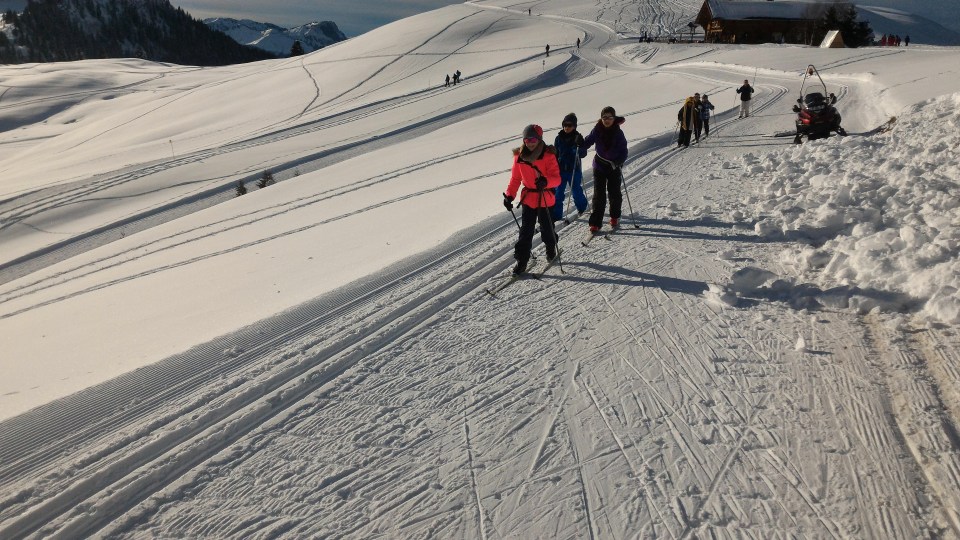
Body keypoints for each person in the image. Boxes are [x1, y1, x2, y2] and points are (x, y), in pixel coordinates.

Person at [502, 124, 562, 274]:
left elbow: (557, 178)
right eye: (527, 139)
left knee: (547, 228)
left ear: (539, 138)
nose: (530, 142)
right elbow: (515, 179)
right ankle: (522, 261)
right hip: (529, 199)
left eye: (533, 138)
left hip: (545, 198)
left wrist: (545, 182)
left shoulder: (548, 155)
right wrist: (509, 196)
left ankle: (550, 248)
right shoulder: (519, 157)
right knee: (525, 232)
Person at [581, 106, 628, 233]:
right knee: (598, 195)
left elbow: (624, 150)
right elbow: (588, 141)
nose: (607, 120)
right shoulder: (597, 129)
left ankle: (614, 216)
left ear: (614, 118)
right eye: (604, 117)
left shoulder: (618, 133)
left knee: (614, 193)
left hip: (614, 166)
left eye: (610, 117)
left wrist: (619, 161)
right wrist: (580, 145)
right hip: (599, 166)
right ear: (601, 118)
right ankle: (595, 223)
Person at [551, 113, 589, 221]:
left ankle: (582, 208)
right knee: (558, 193)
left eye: (570, 125)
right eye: (565, 125)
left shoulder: (578, 138)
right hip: (561, 170)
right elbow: (555, 154)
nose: (567, 127)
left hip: (574, 169)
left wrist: (580, 145)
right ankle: (556, 215)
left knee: (576, 191)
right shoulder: (558, 138)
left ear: (574, 126)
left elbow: (582, 154)